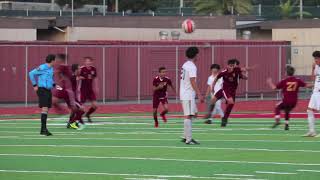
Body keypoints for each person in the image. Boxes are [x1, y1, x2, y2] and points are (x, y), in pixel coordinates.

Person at [205, 59, 247, 127]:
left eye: (236, 65)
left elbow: (245, 77)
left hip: (231, 92)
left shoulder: (237, 72)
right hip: (225, 90)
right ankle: (212, 116)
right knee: (220, 102)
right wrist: (212, 87)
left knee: (229, 105)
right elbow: (216, 78)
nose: (235, 67)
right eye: (233, 65)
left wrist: (243, 75)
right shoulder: (224, 72)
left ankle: (224, 118)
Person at [267, 66, 308, 130]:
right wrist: (316, 84)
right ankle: (286, 125)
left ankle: (277, 120)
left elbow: (274, 88)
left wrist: (270, 82)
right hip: (294, 101)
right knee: (287, 110)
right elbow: (307, 85)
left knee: (277, 107)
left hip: (286, 100)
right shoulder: (297, 80)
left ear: (286, 72)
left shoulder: (284, 81)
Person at [180, 47, 204, 145]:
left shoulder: (185, 64)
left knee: (193, 114)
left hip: (185, 93)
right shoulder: (192, 66)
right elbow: (192, 81)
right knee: (188, 116)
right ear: (195, 55)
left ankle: (185, 136)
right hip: (188, 94)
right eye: (198, 54)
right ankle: (188, 139)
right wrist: (199, 94)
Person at [28, 54, 56, 136]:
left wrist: (54, 85)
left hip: (48, 90)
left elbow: (50, 79)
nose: (55, 61)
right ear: (52, 60)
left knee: (46, 110)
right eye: (55, 60)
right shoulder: (43, 67)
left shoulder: (51, 68)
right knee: (44, 109)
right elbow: (31, 73)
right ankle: (44, 129)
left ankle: (42, 129)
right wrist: (34, 85)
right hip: (42, 90)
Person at [51, 54, 79, 129]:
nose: (56, 61)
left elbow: (55, 72)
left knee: (74, 108)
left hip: (67, 90)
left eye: (57, 59)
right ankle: (67, 115)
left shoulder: (63, 67)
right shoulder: (64, 67)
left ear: (61, 59)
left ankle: (70, 120)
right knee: (53, 101)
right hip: (63, 89)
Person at [304, 51, 320, 137]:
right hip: (315, 92)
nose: (315, 60)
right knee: (309, 110)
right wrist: (313, 68)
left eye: (317, 58)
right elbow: (313, 78)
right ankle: (312, 131)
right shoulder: (316, 67)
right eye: (315, 58)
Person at [79, 57, 98, 123]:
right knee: (81, 107)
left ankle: (88, 114)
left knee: (95, 105)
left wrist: (96, 87)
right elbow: (76, 77)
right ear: (84, 62)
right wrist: (81, 77)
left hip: (90, 90)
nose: (88, 63)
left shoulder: (93, 69)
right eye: (87, 61)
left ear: (91, 62)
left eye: (89, 61)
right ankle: (76, 118)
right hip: (83, 90)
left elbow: (95, 78)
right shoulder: (81, 69)